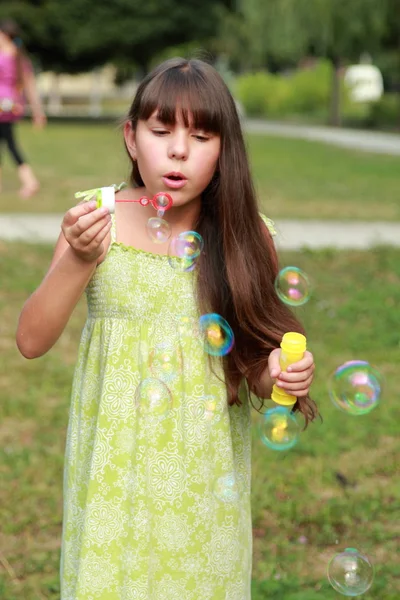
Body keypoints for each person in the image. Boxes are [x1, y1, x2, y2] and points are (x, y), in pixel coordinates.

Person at [16, 58, 317, 599]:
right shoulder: (95, 221)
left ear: (225, 150)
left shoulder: (247, 238)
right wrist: (79, 260)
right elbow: (31, 341)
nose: (179, 150)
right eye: (161, 131)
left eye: (202, 136)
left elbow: (255, 369)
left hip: (203, 482)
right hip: (113, 472)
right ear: (132, 138)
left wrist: (281, 379)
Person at [0, 18, 46, 198]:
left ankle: (30, 181)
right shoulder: (19, 57)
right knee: (9, 143)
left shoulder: (3, 56)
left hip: (1, 106)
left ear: (4, 34)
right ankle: (28, 181)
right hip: (12, 106)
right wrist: (37, 112)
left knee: (9, 144)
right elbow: (30, 86)